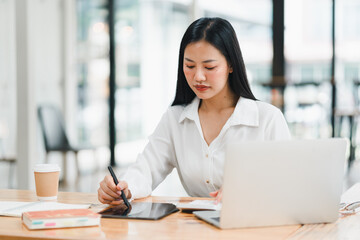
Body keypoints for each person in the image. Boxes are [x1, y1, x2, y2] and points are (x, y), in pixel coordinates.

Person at [98, 17, 291, 205]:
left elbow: (288, 184)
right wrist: (123, 188)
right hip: (195, 228)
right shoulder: (175, 119)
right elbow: (146, 168)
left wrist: (248, 190)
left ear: (231, 64)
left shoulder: (268, 119)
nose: (198, 76)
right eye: (189, 66)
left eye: (209, 67)